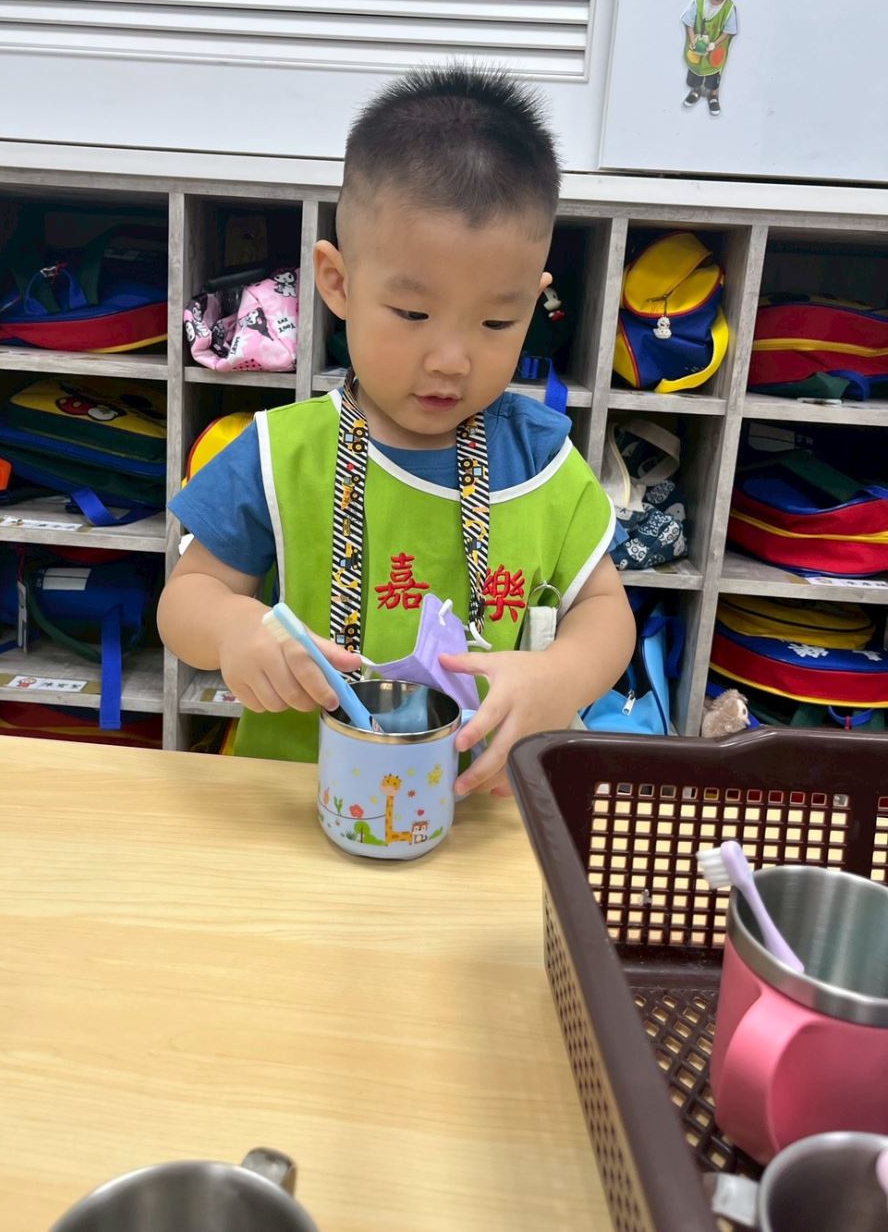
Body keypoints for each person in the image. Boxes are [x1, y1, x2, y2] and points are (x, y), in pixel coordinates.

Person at [158, 65, 635, 796]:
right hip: (294, 804)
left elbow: (606, 612)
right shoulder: (281, 455)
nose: (451, 360)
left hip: (479, 810)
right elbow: (185, 600)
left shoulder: (540, 460)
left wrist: (560, 676)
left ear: (535, 301)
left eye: (497, 321)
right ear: (338, 282)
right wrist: (234, 631)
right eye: (413, 314)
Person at [681, 0, 738, 116]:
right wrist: (692, 38)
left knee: (713, 76)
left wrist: (715, 44)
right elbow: (688, 22)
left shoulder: (729, 9)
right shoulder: (699, 3)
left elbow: (728, 31)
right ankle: (695, 91)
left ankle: (713, 96)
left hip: (715, 52)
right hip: (698, 49)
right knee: (695, 73)